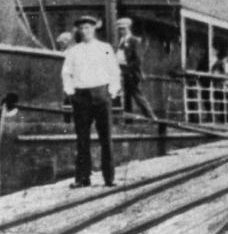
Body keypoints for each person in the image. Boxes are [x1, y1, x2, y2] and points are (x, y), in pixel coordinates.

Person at [61, 15, 121, 188]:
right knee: (82, 139)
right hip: (81, 96)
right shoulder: (73, 51)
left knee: (106, 138)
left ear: (94, 29)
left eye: (88, 28)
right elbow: (66, 73)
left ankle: (109, 178)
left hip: (101, 94)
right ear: (79, 31)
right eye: (82, 28)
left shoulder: (105, 48)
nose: (85, 31)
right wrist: (70, 91)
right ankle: (82, 178)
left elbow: (114, 71)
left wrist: (112, 91)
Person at [115, 18, 157, 120]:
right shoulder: (121, 41)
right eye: (120, 29)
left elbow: (138, 60)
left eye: (123, 29)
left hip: (131, 73)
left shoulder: (134, 41)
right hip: (123, 72)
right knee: (126, 97)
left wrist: (127, 69)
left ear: (129, 28)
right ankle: (128, 120)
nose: (121, 31)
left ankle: (151, 116)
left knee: (137, 95)